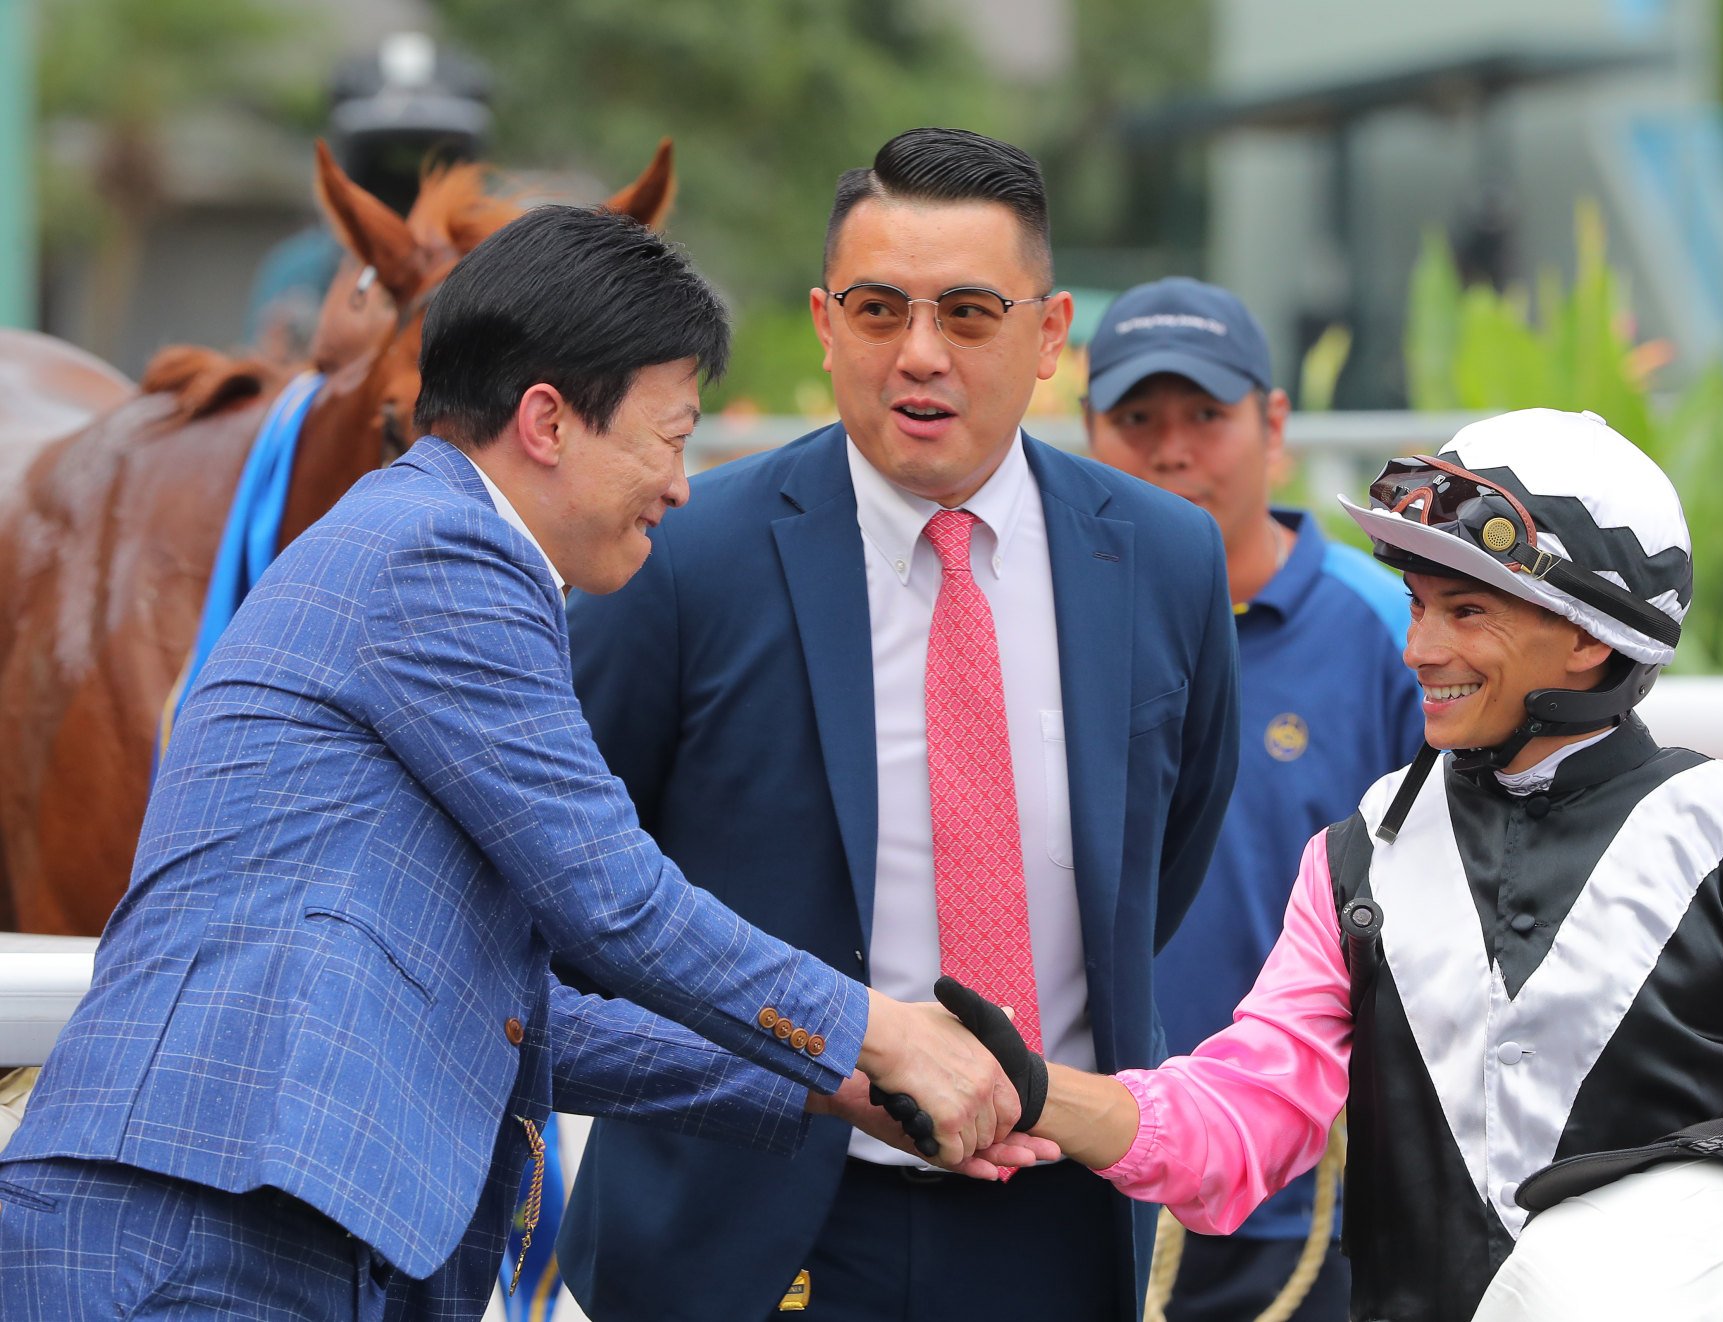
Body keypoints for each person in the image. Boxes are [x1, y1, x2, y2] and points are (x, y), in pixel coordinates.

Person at [0, 205, 1025, 1321]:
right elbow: (618, 900)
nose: (681, 485)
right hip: (216, 1222)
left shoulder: (421, 544)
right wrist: (887, 1030)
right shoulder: (447, 551)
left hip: (251, 1220)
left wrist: (834, 1084)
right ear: (545, 419)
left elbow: (519, 1014)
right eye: (671, 436)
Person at [954, 408, 1723, 1320]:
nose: (1417, 646)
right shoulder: (1360, 855)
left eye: (1465, 611)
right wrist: (1047, 1094)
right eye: (1416, 603)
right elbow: (1248, 1113)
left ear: (1586, 635)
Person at [555, 128, 1241, 1322]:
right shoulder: (678, 557)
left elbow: (1161, 859)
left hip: (1054, 1220)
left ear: (1050, 335)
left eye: (969, 314)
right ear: (825, 324)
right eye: (879, 310)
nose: (918, 355)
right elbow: (575, 886)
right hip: (745, 1224)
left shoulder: (1163, 559)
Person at [1083, 276, 1422, 1321]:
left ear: (1272, 424)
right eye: (1136, 418)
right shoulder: (1035, 613)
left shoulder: (1386, 629)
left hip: (1309, 1184)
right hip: (1083, 1150)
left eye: (1205, 415)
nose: (1171, 448)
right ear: (1085, 430)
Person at [245, 32, 490, 361]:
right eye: (380, 159)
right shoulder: (299, 274)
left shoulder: (499, 272)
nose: (409, 189)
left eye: (436, 160)